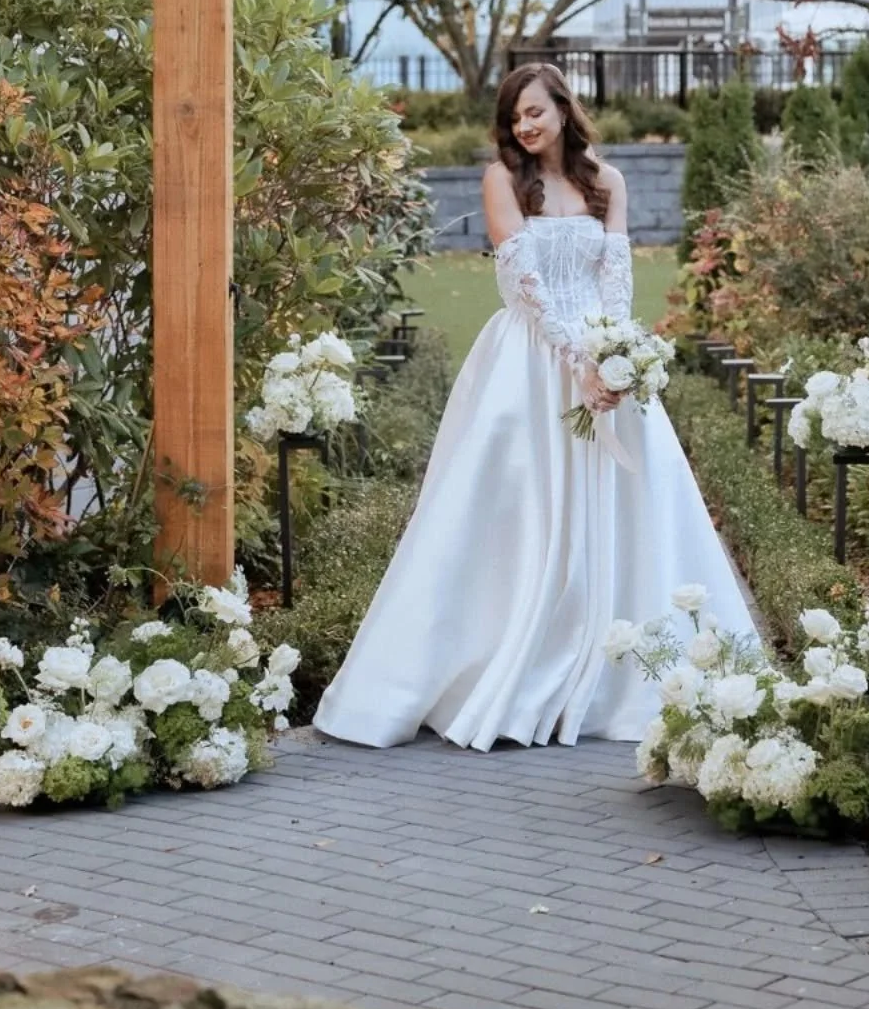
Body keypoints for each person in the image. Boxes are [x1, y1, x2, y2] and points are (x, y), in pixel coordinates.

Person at [314, 63, 761, 752]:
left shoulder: (606, 181)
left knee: (631, 508)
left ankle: (623, 669)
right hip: (529, 360)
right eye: (514, 116)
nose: (525, 126)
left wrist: (615, 358)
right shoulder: (501, 180)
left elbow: (616, 282)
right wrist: (574, 362)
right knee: (512, 509)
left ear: (562, 108)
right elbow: (520, 283)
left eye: (534, 112)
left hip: (601, 365)